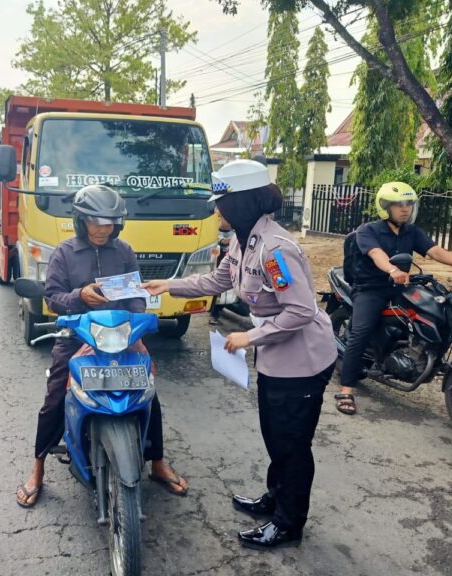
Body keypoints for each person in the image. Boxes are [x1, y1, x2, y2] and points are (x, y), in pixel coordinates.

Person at [143, 159, 337, 549]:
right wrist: (170, 285)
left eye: (220, 203)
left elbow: (301, 310)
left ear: (240, 203)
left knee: (292, 444)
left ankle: (288, 523)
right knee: (275, 435)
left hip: (302, 361)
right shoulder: (241, 239)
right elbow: (218, 279)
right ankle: (275, 497)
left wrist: (250, 336)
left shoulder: (275, 250)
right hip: (276, 358)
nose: (216, 211)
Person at [16, 184, 188, 508]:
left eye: (109, 223)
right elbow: (52, 298)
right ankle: (38, 467)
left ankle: (157, 461)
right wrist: (79, 296)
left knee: (148, 392)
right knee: (55, 396)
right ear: (81, 221)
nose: (102, 229)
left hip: (121, 338)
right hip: (76, 336)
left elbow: (135, 296)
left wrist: (139, 331)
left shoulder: (124, 252)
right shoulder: (64, 253)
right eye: (95, 222)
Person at [336, 181, 452, 415]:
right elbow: (376, 254)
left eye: (408, 204)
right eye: (399, 205)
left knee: (436, 310)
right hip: (371, 288)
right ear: (386, 207)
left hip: (402, 285)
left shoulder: (411, 231)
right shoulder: (368, 231)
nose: (405, 209)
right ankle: (346, 391)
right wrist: (392, 270)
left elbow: (435, 251)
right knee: (360, 333)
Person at [208, 213, 233, 325]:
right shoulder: (215, 227)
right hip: (219, 261)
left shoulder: (235, 228)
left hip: (232, 262)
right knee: (218, 288)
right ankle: (214, 315)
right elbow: (220, 241)